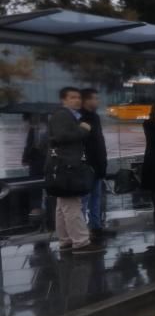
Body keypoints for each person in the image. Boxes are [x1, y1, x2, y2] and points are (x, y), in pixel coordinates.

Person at [47, 87, 98, 252]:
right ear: (64, 100)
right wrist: (83, 129)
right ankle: (81, 242)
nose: (77, 100)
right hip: (67, 166)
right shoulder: (63, 115)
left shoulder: (66, 115)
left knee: (62, 207)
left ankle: (66, 240)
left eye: (78, 97)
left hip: (62, 166)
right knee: (72, 205)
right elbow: (62, 137)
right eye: (72, 97)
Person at [79, 88, 107, 237]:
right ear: (87, 100)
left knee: (96, 197)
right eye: (95, 98)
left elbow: (99, 141)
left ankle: (95, 226)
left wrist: (103, 162)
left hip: (98, 164)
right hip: (86, 166)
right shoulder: (80, 118)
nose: (98, 101)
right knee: (84, 200)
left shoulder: (95, 117)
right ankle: (82, 232)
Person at [21, 113, 47, 216]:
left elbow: (29, 145)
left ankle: (36, 209)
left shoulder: (35, 129)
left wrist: (25, 159)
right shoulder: (47, 126)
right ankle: (42, 208)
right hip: (45, 159)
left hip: (37, 160)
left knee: (35, 184)